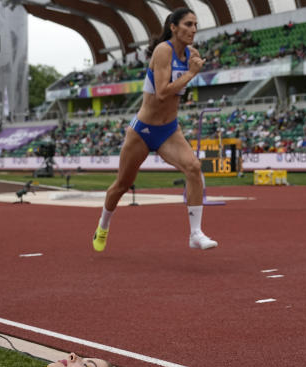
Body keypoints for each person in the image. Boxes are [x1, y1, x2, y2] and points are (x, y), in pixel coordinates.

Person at [91, 8, 218, 252]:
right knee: (122, 185)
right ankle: (103, 225)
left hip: (169, 130)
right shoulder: (163, 51)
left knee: (193, 168)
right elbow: (161, 93)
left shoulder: (192, 54)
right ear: (173, 26)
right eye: (188, 24)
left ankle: (195, 233)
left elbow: (178, 93)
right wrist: (191, 74)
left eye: (195, 25)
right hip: (143, 131)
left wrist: (191, 72)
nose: (193, 29)